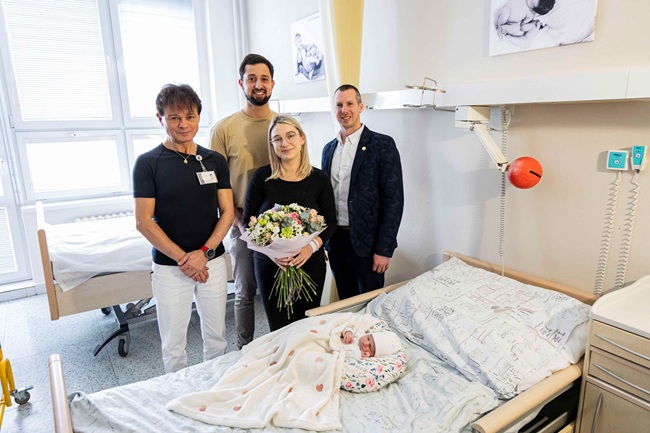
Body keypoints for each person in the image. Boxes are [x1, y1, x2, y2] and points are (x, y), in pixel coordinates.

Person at [133, 84, 234, 373]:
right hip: (170, 267)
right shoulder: (148, 163)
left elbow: (227, 212)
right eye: (174, 117)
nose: (183, 124)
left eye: (190, 116)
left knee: (216, 337)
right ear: (160, 119)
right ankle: (177, 394)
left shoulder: (214, 160)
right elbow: (143, 221)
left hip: (211, 262)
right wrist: (185, 260)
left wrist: (204, 253)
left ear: (199, 117)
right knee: (173, 345)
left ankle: (215, 387)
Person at [243, 115, 336, 331]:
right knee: (278, 327)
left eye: (290, 136)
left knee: (306, 324)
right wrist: (272, 252)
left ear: (302, 138)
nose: (284, 143)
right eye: (277, 139)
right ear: (272, 144)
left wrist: (310, 247)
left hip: (309, 261)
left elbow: (330, 222)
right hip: (270, 264)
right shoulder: (262, 177)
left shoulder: (319, 179)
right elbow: (248, 222)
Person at [210, 54, 277, 349]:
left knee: (279, 290)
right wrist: (239, 222)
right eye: (251, 79)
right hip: (242, 223)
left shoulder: (284, 126)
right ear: (241, 83)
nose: (258, 84)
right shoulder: (223, 129)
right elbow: (218, 185)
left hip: (283, 224)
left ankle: (282, 346)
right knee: (245, 291)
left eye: (264, 79)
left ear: (272, 84)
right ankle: (244, 350)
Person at [321, 84, 404, 300]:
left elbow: (394, 200)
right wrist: (321, 241)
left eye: (349, 104)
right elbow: (324, 199)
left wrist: (384, 249)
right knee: (345, 304)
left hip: (368, 245)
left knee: (370, 305)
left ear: (360, 107)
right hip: (336, 242)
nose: (344, 110)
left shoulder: (382, 145)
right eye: (339, 105)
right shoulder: (329, 149)